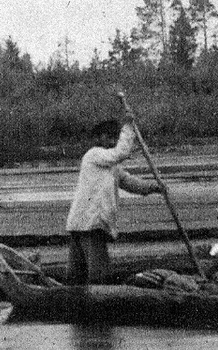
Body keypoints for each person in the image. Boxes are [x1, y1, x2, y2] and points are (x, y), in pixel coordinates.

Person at [65, 115, 165, 285]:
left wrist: (153, 187)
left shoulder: (112, 166)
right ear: (98, 138)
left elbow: (129, 182)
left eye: (115, 137)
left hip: (88, 222)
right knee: (98, 273)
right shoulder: (93, 155)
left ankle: (74, 297)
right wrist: (128, 128)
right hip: (90, 222)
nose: (113, 140)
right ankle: (94, 300)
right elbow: (121, 153)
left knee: (78, 272)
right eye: (109, 136)